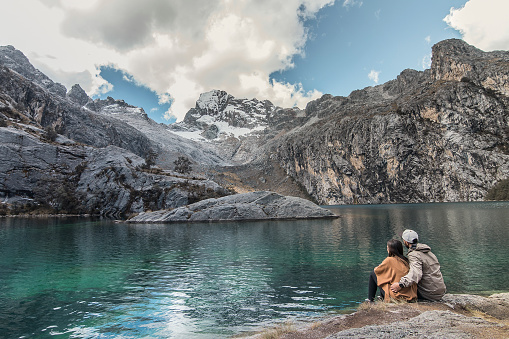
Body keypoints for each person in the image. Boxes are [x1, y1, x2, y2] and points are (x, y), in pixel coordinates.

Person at [390, 229, 446, 301]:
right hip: (440, 291)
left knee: (394, 283)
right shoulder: (429, 252)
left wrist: (400, 284)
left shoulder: (414, 255)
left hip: (429, 293)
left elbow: (416, 273)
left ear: (406, 242)